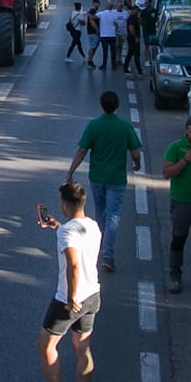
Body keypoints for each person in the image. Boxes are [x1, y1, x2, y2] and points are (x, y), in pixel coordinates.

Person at [28, 182, 101, 382]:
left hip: (70, 300)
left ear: (66, 206)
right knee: (82, 347)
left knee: (46, 345)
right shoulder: (92, 226)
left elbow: (73, 264)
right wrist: (57, 225)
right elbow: (76, 239)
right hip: (93, 296)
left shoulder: (66, 232)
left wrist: (71, 297)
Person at [66, 91, 142, 273]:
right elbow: (135, 152)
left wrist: (70, 172)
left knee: (100, 212)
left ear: (102, 105)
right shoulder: (124, 126)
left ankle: (98, 247)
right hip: (116, 178)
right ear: (117, 105)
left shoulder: (94, 125)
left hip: (97, 176)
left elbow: (81, 151)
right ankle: (108, 254)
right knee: (113, 215)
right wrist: (136, 163)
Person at [162, 116, 191, 293]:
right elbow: (166, 173)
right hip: (181, 202)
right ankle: (175, 277)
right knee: (178, 239)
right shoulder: (176, 147)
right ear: (186, 131)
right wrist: (185, 160)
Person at [96, 1, 121, 70]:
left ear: (106, 7)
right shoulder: (114, 14)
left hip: (104, 35)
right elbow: (116, 24)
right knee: (113, 51)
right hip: (112, 35)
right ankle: (113, 65)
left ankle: (104, 64)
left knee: (105, 51)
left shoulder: (101, 13)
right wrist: (114, 30)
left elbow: (94, 17)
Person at [124, 4, 143, 74]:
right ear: (133, 10)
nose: (137, 12)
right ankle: (139, 71)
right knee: (136, 55)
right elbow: (131, 29)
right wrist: (136, 37)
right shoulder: (132, 18)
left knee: (130, 54)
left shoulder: (135, 18)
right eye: (137, 10)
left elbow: (140, 23)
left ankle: (125, 68)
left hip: (132, 38)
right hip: (133, 39)